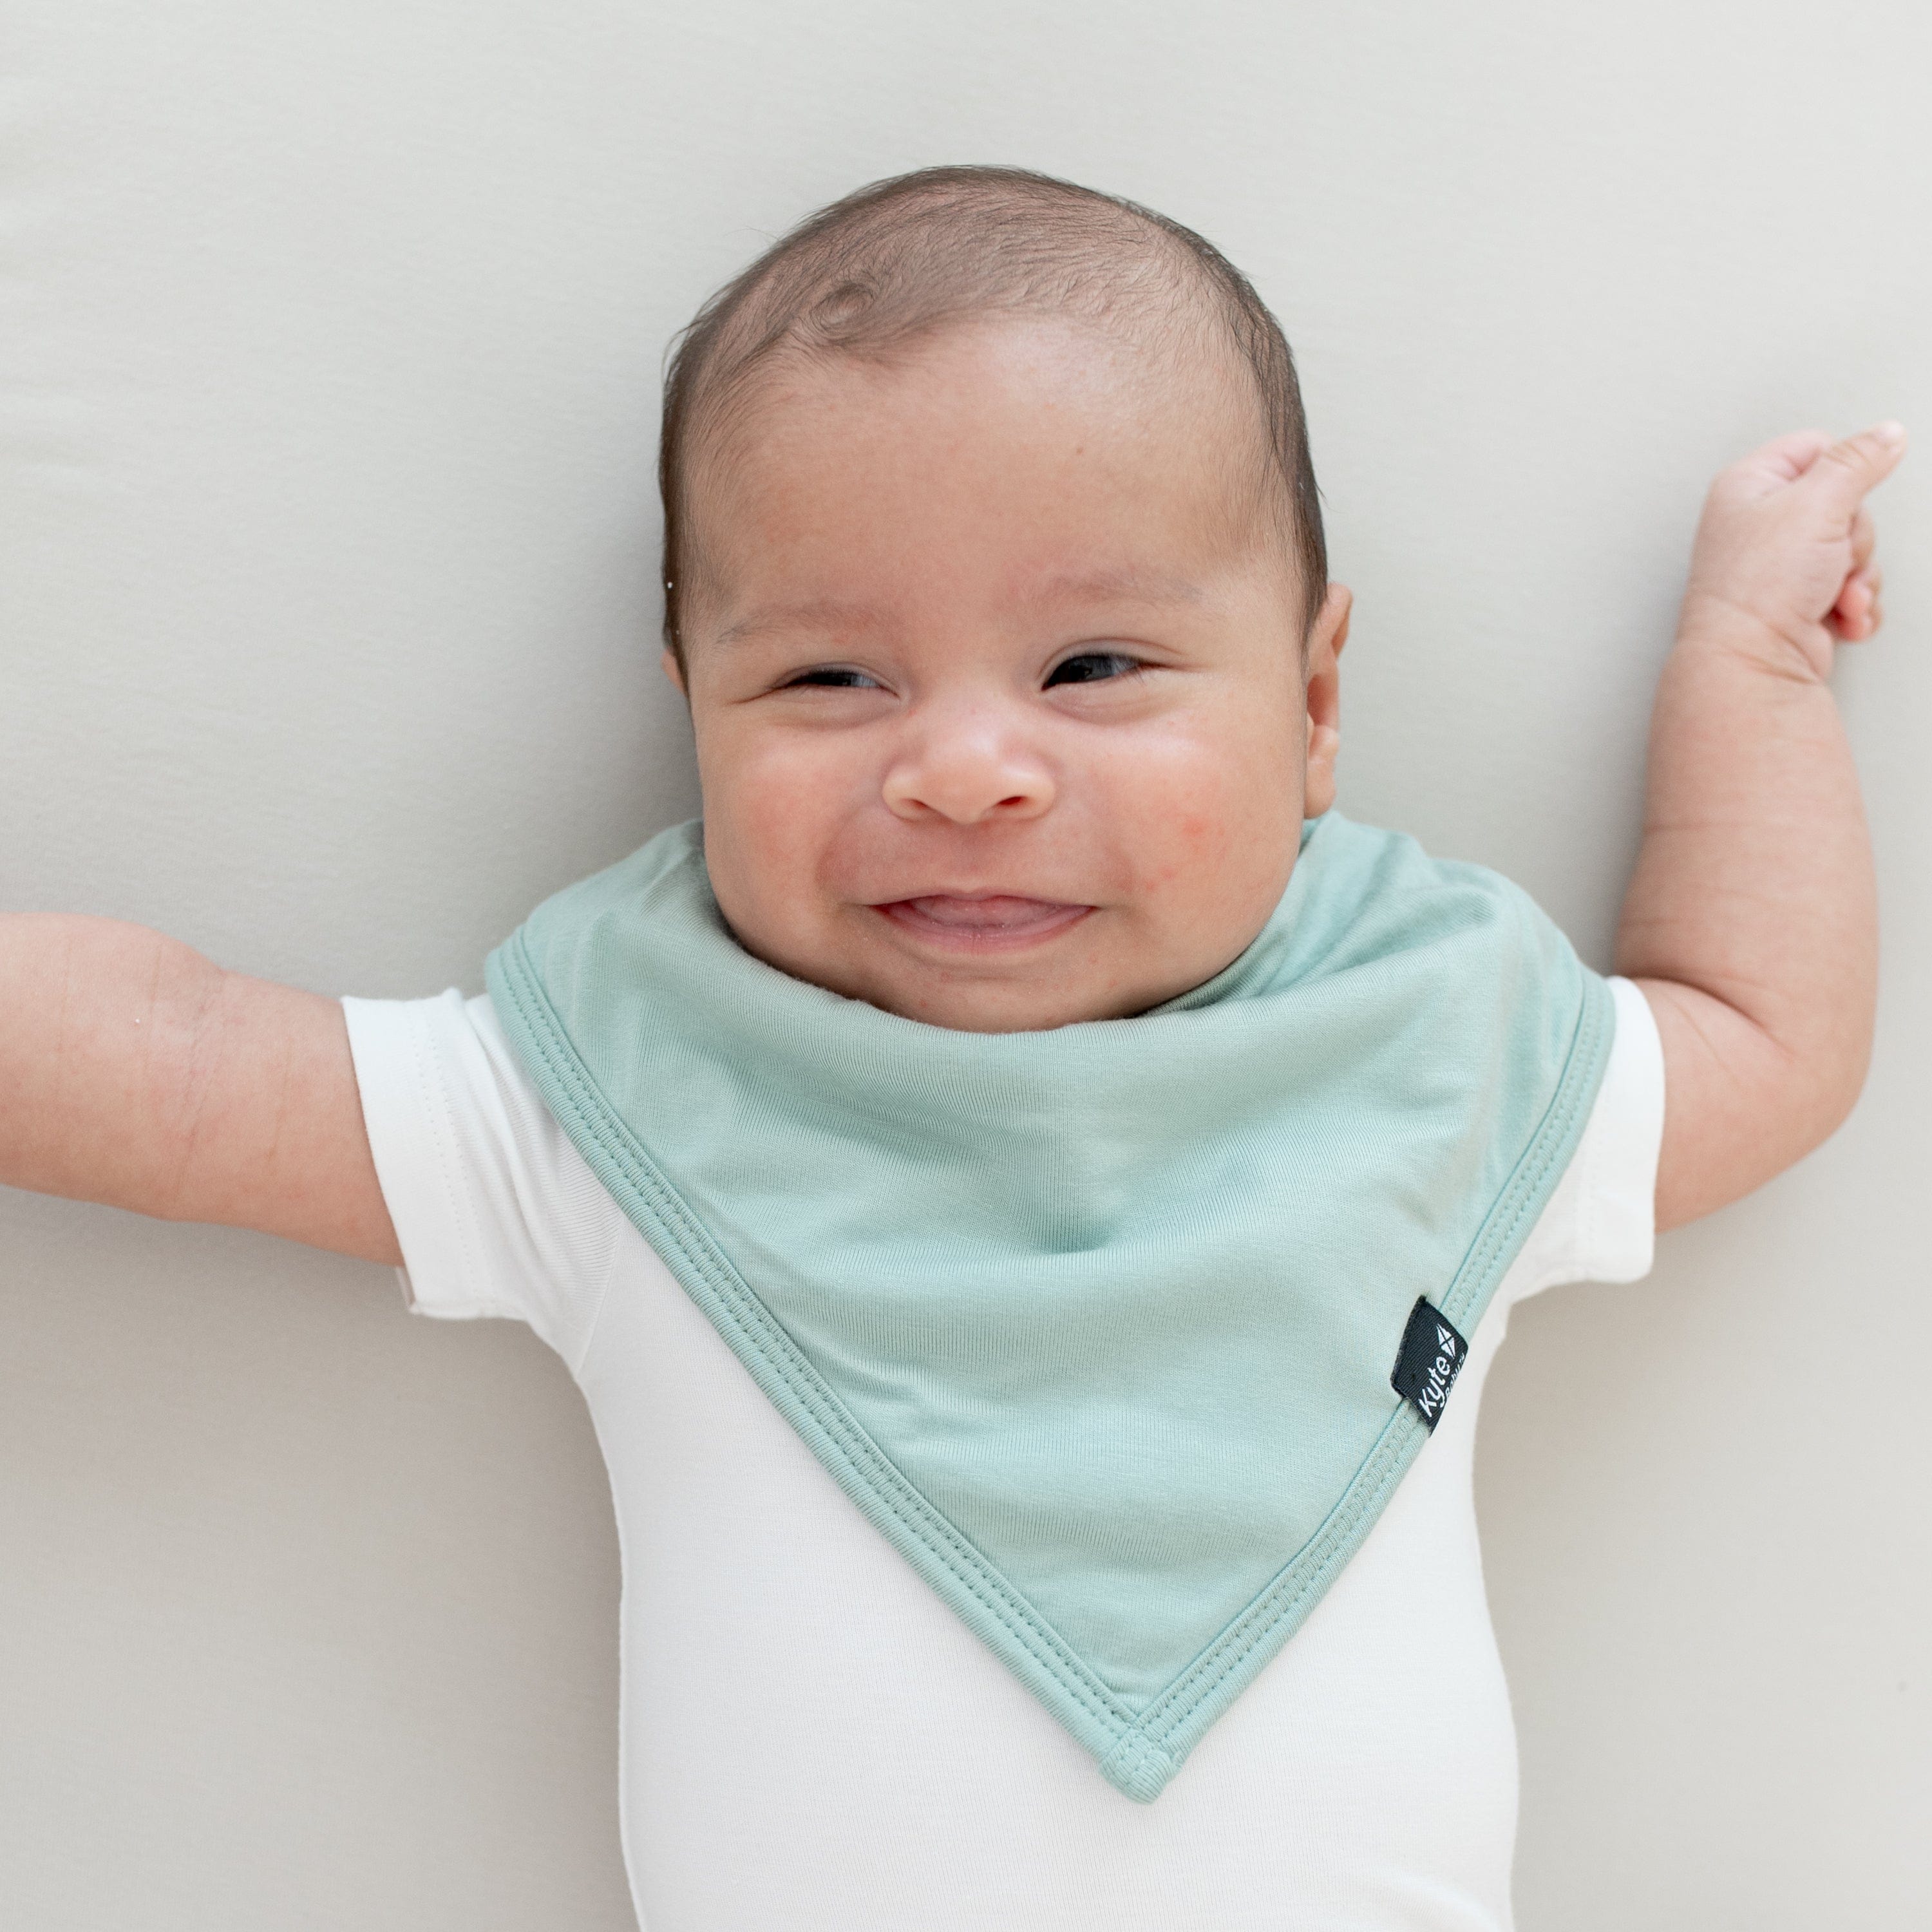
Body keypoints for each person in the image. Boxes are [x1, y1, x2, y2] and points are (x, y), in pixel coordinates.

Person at [0, 166, 1904, 1928]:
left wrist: (1746, 661)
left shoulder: (1430, 1044)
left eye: (1095, 668)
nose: (968, 769)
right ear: (693, 713)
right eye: (828, 679)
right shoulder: (624, 1097)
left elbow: (1760, 1039)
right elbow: (177, 1071)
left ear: (1316, 707)